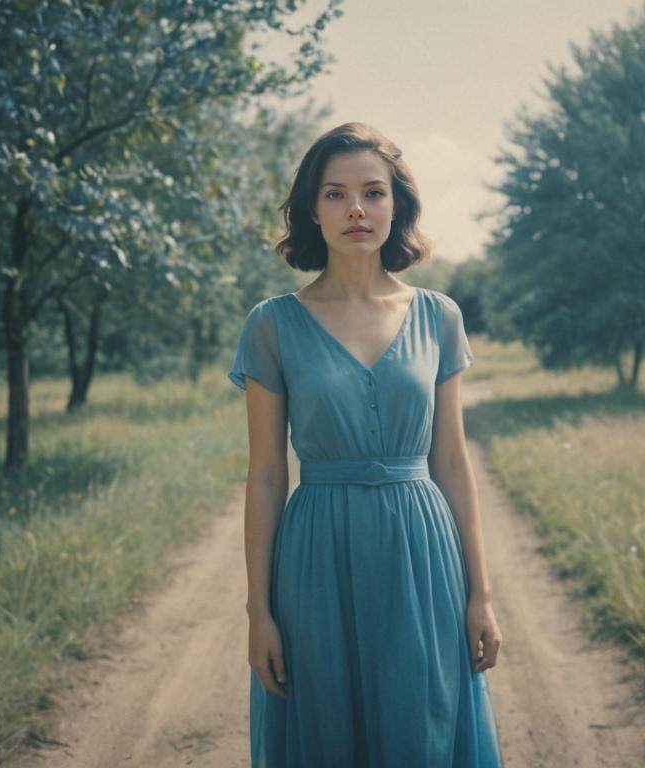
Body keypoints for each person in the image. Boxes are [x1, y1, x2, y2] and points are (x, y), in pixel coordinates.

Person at [227, 122, 504, 766]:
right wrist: (258, 611)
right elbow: (266, 475)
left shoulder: (439, 315)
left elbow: (454, 462)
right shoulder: (271, 325)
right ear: (311, 210)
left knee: (423, 725)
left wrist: (481, 595)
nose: (356, 208)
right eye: (335, 194)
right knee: (326, 732)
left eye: (373, 192)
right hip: (316, 558)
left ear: (396, 206)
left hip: (422, 554)